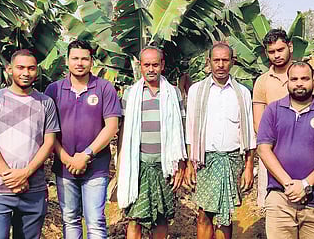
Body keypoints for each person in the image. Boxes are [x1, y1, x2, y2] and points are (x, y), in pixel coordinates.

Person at [0, 49, 60, 239]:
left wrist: (25, 174)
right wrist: (9, 176)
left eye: (31, 68)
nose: (26, 73)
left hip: (33, 188)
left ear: (36, 71)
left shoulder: (46, 103)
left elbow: (49, 142)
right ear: (9, 69)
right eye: (20, 67)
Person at [44, 40, 121, 239]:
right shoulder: (53, 90)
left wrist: (85, 155)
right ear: (67, 61)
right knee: (70, 220)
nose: (80, 63)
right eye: (75, 58)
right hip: (64, 167)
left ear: (91, 61)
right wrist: (68, 159)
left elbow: (111, 126)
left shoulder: (104, 88)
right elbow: (48, 131)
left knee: (95, 220)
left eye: (84, 58)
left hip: (96, 167)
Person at [185, 42, 256, 239]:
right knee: (203, 214)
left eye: (225, 60)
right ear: (209, 62)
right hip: (205, 162)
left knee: (225, 216)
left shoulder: (242, 92)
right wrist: (190, 164)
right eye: (216, 60)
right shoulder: (196, 91)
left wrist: (249, 167)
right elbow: (190, 130)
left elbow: (249, 133)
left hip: (232, 160)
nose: (221, 65)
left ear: (232, 62)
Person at [117, 46, 187, 239]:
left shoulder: (173, 93)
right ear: (140, 66)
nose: (151, 69)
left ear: (162, 65)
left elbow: (181, 131)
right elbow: (123, 130)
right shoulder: (130, 94)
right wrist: (121, 162)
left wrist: (181, 164)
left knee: (161, 217)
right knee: (135, 218)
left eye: (155, 64)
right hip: (138, 165)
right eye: (146, 65)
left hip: (163, 166)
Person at [257, 61, 314, 239]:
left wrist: (305, 184)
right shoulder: (273, 110)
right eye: (294, 79)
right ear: (287, 82)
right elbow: (263, 149)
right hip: (280, 197)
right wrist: (290, 185)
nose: (299, 83)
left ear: (313, 81)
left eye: (305, 78)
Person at [252, 29, 314, 208]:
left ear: (290, 47)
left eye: (280, 49)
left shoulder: (308, 76)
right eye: (271, 52)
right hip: (272, 153)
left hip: (310, 154)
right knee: (274, 205)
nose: (276, 55)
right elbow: (258, 123)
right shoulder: (262, 81)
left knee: (312, 206)